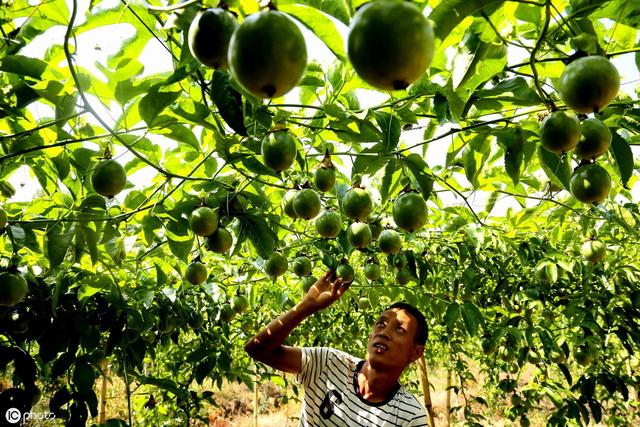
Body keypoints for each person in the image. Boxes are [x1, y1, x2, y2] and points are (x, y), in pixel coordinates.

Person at [245, 270, 430, 426]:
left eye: (399, 329)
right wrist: (307, 306)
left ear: (416, 352)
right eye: (380, 324)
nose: (384, 333)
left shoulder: (410, 417)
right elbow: (257, 350)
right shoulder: (328, 363)